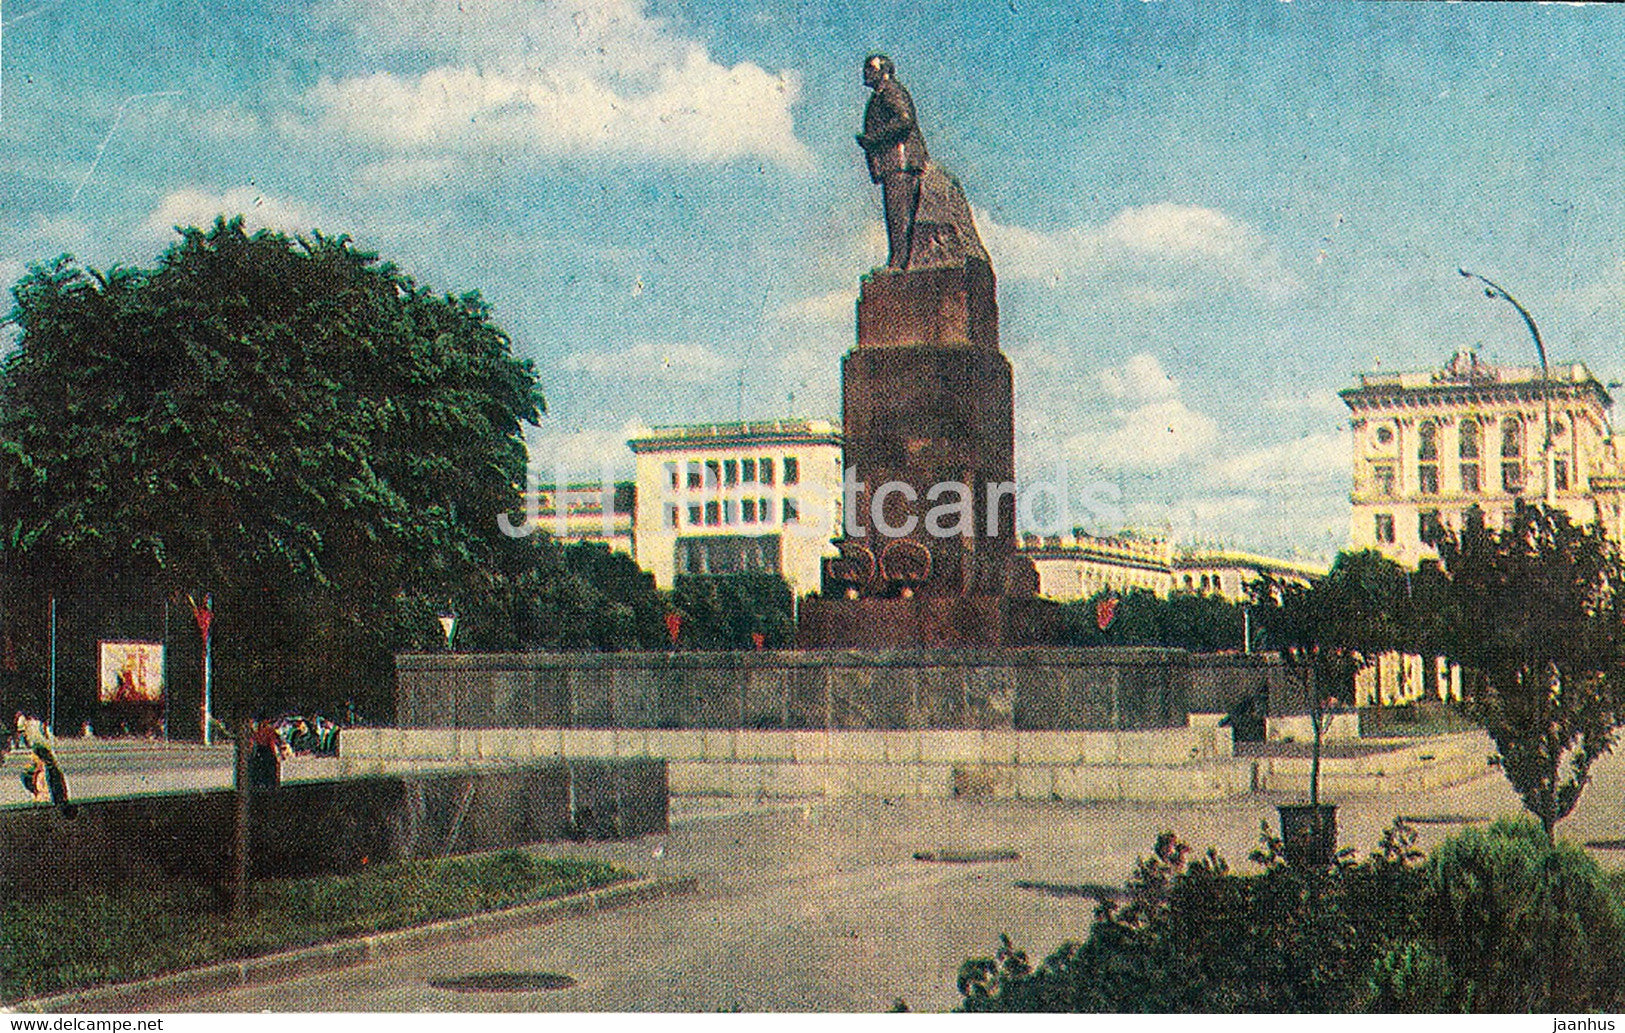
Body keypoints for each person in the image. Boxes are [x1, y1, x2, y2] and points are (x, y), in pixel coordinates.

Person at [856, 54, 929, 270]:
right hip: (894, 163)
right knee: (895, 215)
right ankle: (898, 259)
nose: (865, 73)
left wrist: (874, 139)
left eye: (870, 69)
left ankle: (900, 262)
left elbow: (905, 120)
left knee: (900, 215)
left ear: (883, 71)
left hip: (901, 162)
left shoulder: (890, 91)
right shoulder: (880, 95)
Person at [15, 710, 64, 806]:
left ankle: (47, 797)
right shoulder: (33, 742)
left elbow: (44, 761)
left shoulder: (36, 740)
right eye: (20, 731)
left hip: (46, 769)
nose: (23, 735)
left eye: (23, 731)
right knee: (26, 775)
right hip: (43, 766)